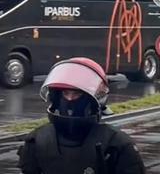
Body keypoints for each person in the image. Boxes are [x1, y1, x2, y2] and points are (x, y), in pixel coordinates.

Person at [17, 57, 145, 174]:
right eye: (65, 93)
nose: (70, 99)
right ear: (56, 97)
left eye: (77, 94)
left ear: (94, 99)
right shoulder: (37, 140)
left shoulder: (116, 144)